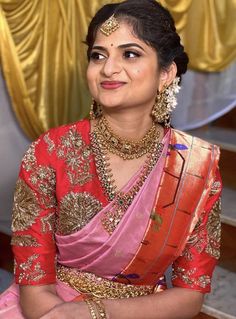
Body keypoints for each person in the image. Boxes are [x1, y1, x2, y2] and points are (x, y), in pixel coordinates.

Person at [0, 0, 222, 318]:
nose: (108, 68)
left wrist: (94, 313)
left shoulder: (197, 166)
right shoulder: (50, 153)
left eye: (129, 54)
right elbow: (34, 291)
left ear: (166, 72)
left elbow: (189, 295)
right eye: (98, 55)